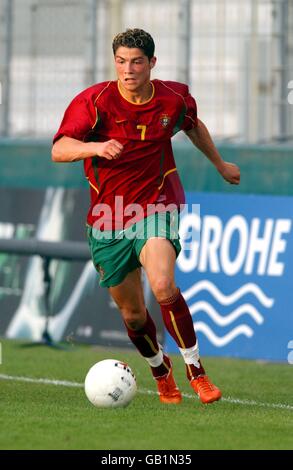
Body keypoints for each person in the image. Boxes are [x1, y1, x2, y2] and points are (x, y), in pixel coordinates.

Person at [52, 28, 240, 405]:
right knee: (135, 316)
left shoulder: (172, 99)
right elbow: (60, 149)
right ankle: (160, 370)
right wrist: (97, 146)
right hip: (108, 217)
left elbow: (193, 126)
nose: (128, 69)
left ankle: (196, 372)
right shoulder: (94, 101)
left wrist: (219, 163)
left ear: (152, 63)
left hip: (156, 205)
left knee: (163, 286)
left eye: (136, 61)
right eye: (121, 61)